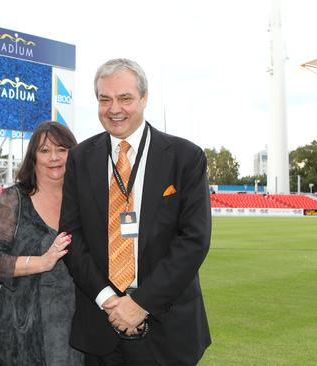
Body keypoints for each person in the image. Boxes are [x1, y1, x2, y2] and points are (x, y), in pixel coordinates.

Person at [59, 58, 212, 365]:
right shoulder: (79, 157)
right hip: (100, 325)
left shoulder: (185, 157)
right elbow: (72, 237)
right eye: (105, 99)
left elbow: (194, 240)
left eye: (125, 98)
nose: (114, 108)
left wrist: (140, 303)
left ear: (144, 98)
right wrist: (109, 300)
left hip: (168, 328)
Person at [0, 121, 84, 366]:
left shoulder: (83, 200)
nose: (54, 157)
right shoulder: (14, 200)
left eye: (62, 149)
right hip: (19, 331)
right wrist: (41, 262)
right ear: (33, 157)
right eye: (44, 150)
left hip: (74, 329)